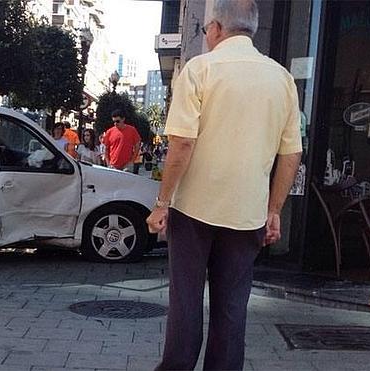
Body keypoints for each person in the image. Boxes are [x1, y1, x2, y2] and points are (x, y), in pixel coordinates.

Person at [145, 1, 303, 370]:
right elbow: (291, 154)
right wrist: (274, 210)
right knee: (232, 311)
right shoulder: (281, 78)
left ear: (215, 27)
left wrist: (161, 202)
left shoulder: (201, 69)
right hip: (247, 214)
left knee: (185, 305)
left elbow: (182, 144)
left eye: (205, 31)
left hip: (193, 211)